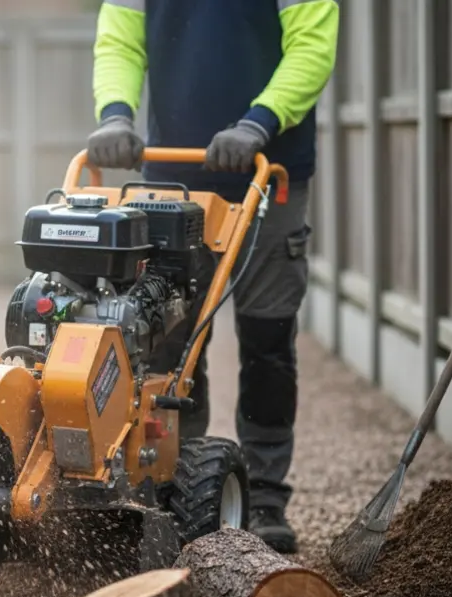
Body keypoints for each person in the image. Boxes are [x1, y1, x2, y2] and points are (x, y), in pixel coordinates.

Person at [86, 0, 339, 553]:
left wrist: (259, 121)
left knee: (268, 338)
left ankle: (267, 497)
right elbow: (120, 42)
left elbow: (312, 48)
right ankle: (173, 485)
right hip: (173, 177)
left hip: (267, 171)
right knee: (171, 340)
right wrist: (115, 113)